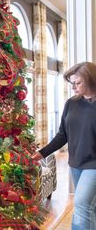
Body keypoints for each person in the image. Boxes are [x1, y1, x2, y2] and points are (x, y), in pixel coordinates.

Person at [32, 62, 96, 230]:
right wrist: (42, 153)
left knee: (81, 205)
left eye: (78, 83)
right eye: (72, 83)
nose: (73, 87)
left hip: (94, 165)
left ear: (91, 80)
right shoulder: (71, 103)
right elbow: (63, 135)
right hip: (75, 163)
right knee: (90, 208)